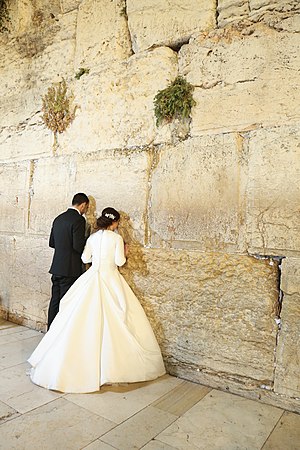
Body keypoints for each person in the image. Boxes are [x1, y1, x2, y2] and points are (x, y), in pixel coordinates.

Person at [28, 207, 165, 393]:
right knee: (119, 316)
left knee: (80, 315)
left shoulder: (92, 238)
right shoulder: (116, 238)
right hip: (110, 278)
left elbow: (85, 257)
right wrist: (125, 253)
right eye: (118, 223)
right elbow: (119, 262)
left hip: (92, 277)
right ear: (114, 222)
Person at [47, 193, 89, 330]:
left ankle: (51, 330)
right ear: (83, 205)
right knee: (66, 301)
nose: (86, 211)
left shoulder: (58, 218)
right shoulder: (78, 220)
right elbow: (78, 246)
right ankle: (61, 333)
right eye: (87, 207)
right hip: (70, 268)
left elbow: (52, 243)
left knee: (55, 300)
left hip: (56, 267)